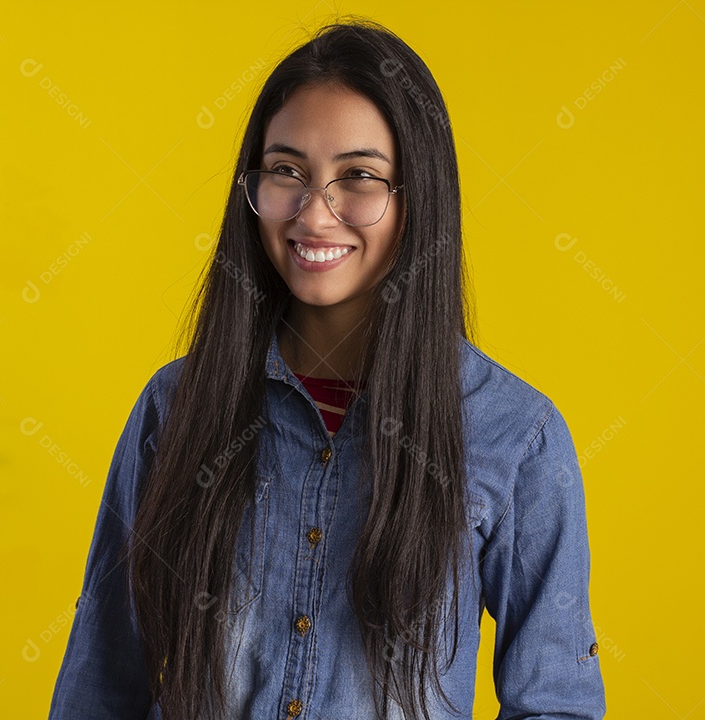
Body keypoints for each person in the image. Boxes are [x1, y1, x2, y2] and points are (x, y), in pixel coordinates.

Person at [48, 17, 606, 720]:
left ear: (418, 199)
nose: (315, 213)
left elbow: (555, 701)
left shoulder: (516, 435)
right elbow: (102, 676)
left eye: (359, 177)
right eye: (287, 171)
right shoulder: (175, 407)